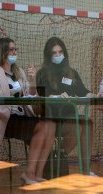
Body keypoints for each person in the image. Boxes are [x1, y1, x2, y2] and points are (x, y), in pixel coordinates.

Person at [0, 37, 56, 185]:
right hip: (6, 119)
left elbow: (32, 95)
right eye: (11, 49)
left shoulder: (19, 71)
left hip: (23, 115)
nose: (15, 52)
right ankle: (29, 173)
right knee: (42, 127)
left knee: (50, 125)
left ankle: (38, 173)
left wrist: (33, 79)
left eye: (16, 49)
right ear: (2, 51)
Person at [35, 37, 95, 176]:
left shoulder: (71, 72)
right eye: (54, 53)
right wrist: (56, 96)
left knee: (88, 123)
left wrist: (93, 94)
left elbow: (82, 91)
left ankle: (86, 170)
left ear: (64, 53)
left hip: (69, 115)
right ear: (48, 55)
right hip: (52, 118)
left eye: (60, 52)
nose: (57, 55)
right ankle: (60, 154)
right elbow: (42, 95)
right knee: (78, 125)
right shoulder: (42, 73)